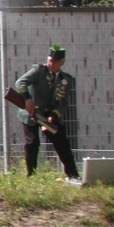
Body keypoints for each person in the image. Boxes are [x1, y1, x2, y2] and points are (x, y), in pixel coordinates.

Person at [15, 44, 79, 180]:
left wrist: (53, 116)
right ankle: (31, 176)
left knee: (62, 143)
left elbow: (62, 103)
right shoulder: (39, 71)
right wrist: (28, 99)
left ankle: (73, 175)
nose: (51, 63)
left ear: (62, 63)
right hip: (31, 113)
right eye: (50, 59)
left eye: (54, 61)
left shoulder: (66, 80)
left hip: (49, 116)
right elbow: (20, 82)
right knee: (32, 143)